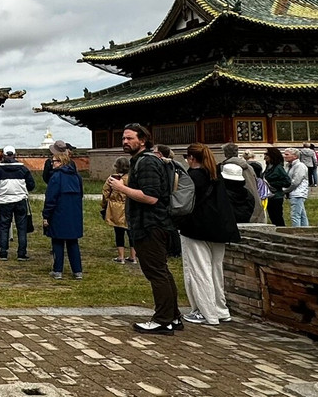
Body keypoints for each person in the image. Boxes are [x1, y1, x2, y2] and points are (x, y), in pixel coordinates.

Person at [108, 124, 181, 335]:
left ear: (142, 140)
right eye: (123, 138)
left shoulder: (147, 162)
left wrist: (121, 188)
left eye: (129, 138)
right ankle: (172, 316)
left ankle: (163, 319)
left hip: (151, 224)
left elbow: (151, 197)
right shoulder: (140, 161)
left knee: (156, 272)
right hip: (149, 223)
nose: (125, 142)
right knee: (161, 272)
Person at [177, 144, 238, 326]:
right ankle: (220, 310)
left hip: (197, 227)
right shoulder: (215, 175)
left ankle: (206, 312)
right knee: (215, 270)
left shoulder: (192, 177)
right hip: (219, 228)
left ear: (192, 158)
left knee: (199, 270)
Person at [43, 147, 84, 279]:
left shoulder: (55, 177)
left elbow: (51, 198)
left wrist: (46, 215)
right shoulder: (77, 177)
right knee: (73, 242)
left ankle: (58, 270)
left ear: (60, 162)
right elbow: (81, 194)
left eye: (54, 161)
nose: (52, 163)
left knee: (57, 241)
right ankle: (77, 271)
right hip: (74, 213)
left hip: (58, 213)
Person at [0, 145, 35, 260]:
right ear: (15, 155)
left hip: (4, 201)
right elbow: (31, 185)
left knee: (4, 226)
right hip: (20, 200)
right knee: (22, 228)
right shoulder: (23, 169)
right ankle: (21, 253)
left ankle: (3, 252)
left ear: (4, 156)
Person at [102, 156, 136, 263]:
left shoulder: (112, 179)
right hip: (130, 207)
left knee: (119, 232)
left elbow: (105, 193)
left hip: (116, 208)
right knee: (131, 233)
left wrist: (105, 205)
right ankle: (133, 256)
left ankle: (121, 257)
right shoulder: (133, 178)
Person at [220, 143, 265, 224]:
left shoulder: (225, 167)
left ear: (225, 153)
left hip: (236, 202)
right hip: (253, 198)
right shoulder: (249, 167)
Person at [263, 147, 291, 226]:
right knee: (272, 217)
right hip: (269, 196)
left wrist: (272, 184)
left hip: (276, 196)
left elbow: (287, 182)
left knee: (277, 217)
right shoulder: (269, 167)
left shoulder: (278, 168)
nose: (264, 157)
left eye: (266, 155)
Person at [284, 147, 310, 226]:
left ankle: (296, 230)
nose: (284, 156)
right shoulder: (288, 166)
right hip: (294, 192)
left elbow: (295, 182)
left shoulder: (300, 166)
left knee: (295, 214)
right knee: (302, 214)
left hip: (298, 193)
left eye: (287, 154)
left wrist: (285, 190)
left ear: (295, 156)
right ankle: (305, 230)